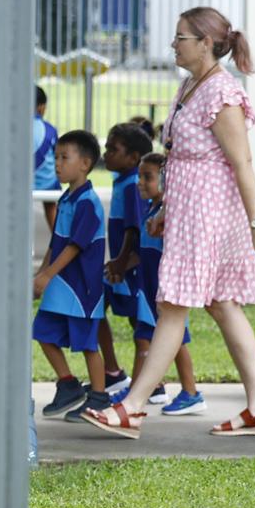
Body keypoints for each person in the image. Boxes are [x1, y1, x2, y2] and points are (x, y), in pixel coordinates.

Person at [85, 6, 255, 438]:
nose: (173, 44)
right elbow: (183, 159)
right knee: (221, 303)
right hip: (190, 211)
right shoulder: (191, 85)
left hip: (210, 214)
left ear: (205, 43)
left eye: (181, 37)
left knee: (173, 306)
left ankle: (133, 406)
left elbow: (241, 164)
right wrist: (166, 210)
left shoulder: (221, 92)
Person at [110, 151, 202, 415]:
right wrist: (122, 265)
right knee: (147, 338)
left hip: (165, 292)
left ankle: (190, 392)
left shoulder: (171, 217)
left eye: (147, 177)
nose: (139, 182)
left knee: (169, 341)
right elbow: (144, 252)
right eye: (139, 176)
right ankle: (146, 389)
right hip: (148, 288)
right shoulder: (152, 211)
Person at [33, 129, 109, 422]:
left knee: (88, 345)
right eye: (56, 158)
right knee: (42, 332)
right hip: (61, 284)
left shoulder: (88, 202)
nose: (57, 164)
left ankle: (99, 397)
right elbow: (57, 242)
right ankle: (68, 384)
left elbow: (76, 246)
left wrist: (48, 274)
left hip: (81, 290)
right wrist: (41, 274)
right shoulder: (66, 198)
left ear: (85, 164)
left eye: (64, 158)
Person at [95, 123, 155, 398]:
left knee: (142, 325)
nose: (106, 154)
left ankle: (126, 377)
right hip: (124, 265)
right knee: (133, 322)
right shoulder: (123, 181)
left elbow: (134, 228)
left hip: (130, 268)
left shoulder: (133, 185)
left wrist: (121, 261)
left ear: (133, 157)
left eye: (113, 149)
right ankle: (116, 373)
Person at [34, 85, 62, 230]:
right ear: (41, 107)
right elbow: (56, 154)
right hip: (47, 185)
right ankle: (58, 240)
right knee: (51, 206)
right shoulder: (49, 129)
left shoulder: (12, 129)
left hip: (18, 183)